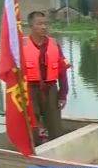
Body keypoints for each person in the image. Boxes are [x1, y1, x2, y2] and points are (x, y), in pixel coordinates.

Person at [23, 11, 70, 143]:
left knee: (55, 124)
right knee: (32, 123)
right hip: (30, 89)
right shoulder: (22, 46)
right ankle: (36, 149)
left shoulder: (55, 45)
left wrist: (63, 94)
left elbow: (62, 71)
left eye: (45, 23)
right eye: (39, 24)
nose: (44, 27)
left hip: (51, 89)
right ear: (31, 26)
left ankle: (56, 149)